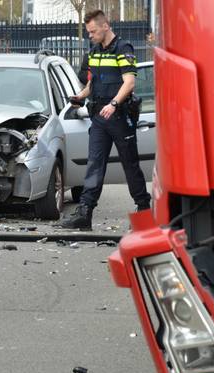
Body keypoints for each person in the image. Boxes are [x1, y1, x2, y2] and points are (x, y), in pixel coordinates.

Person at [59, 10, 151, 230]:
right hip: (99, 117)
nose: (89, 35)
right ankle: (84, 214)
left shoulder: (123, 49)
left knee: (130, 165)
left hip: (119, 116)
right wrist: (80, 97)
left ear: (105, 26)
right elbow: (93, 83)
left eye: (92, 31)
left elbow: (129, 82)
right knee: (94, 164)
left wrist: (114, 104)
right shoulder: (94, 52)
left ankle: (144, 211)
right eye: (88, 32)